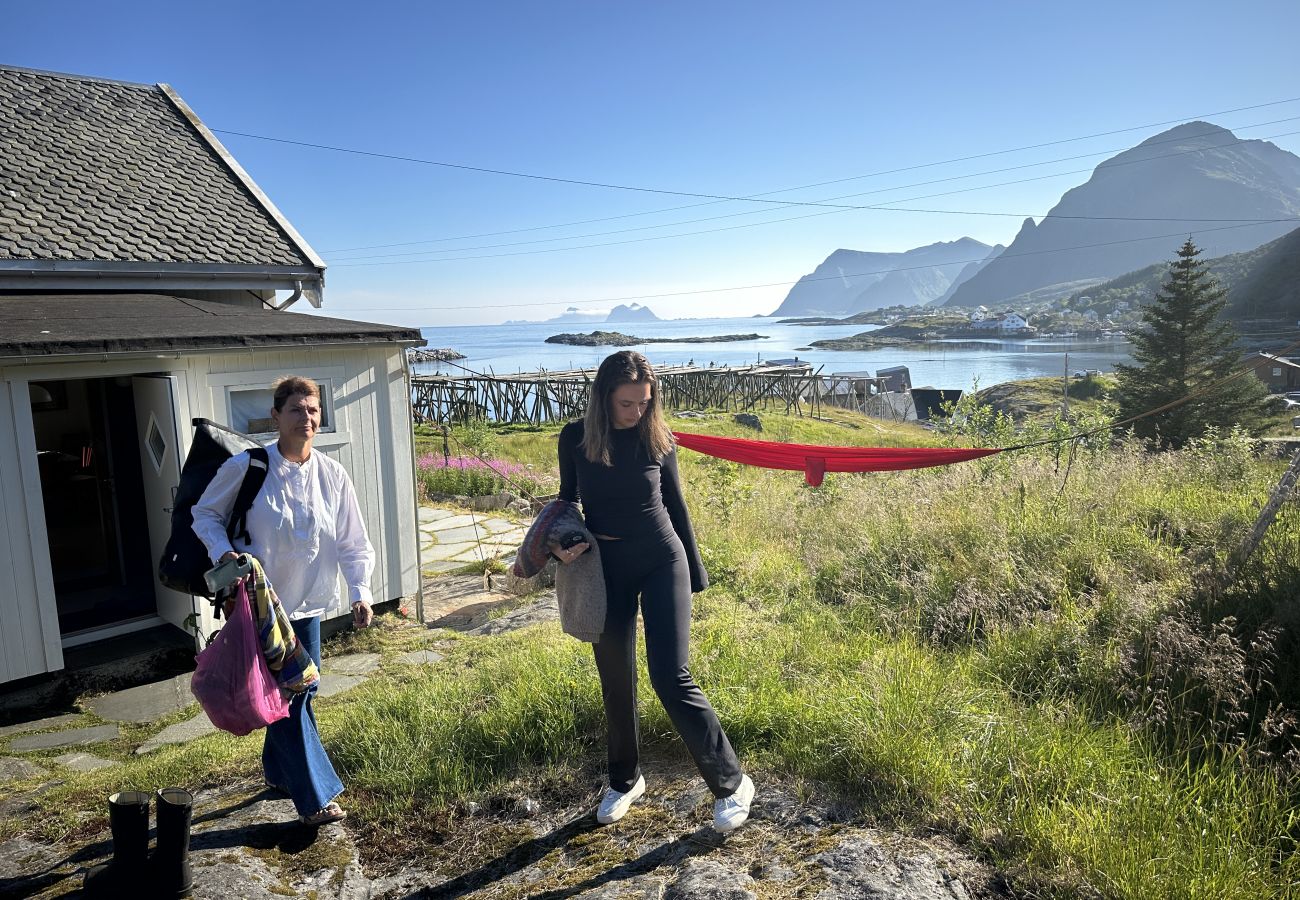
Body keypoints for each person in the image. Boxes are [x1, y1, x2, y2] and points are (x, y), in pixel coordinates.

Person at [556, 350, 755, 833]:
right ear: (604, 399)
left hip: (662, 559)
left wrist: (696, 571)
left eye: (645, 403)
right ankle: (625, 781)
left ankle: (733, 783)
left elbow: (676, 505)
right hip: (606, 568)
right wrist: (563, 539)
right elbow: (567, 501)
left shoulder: (657, 437)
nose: (637, 412)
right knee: (615, 681)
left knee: (670, 675)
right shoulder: (576, 437)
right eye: (628, 404)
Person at [192, 375, 375, 827]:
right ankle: (315, 798)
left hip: (308, 605)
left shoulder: (332, 474)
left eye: (313, 410)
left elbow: (354, 541)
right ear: (276, 416)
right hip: (260, 607)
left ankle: (278, 773)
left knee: (300, 693)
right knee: (291, 699)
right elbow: (204, 514)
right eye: (296, 409)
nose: (306, 418)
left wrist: (361, 592)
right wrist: (224, 553)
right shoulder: (248, 467)